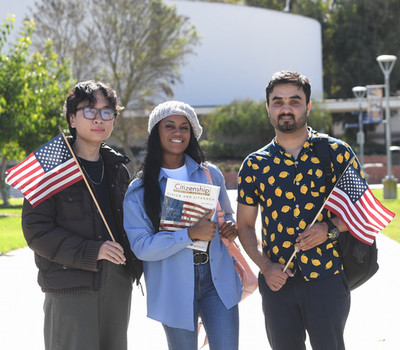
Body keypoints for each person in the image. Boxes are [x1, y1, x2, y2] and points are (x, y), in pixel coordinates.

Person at [236, 71, 360, 350]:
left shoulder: (336, 152)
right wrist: (265, 267)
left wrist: (328, 229)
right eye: (278, 101)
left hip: (326, 277)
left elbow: (361, 208)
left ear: (308, 106)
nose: (286, 108)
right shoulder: (254, 165)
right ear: (268, 107)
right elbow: (244, 225)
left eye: (295, 100)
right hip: (277, 281)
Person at [21, 80, 143, 350]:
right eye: (89, 110)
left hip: (117, 283)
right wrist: (93, 250)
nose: (99, 119)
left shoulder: (117, 168)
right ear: (72, 119)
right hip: (70, 285)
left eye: (107, 111)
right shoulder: (50, 167)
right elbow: (36, 230)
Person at [123, 100, 242, 350]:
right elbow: (142, 247)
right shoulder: (140, 189)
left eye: (184, 127)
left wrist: (230, 226)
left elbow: (226, 215)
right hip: (173, 285)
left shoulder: (211, 174)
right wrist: (189, 234)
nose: (177, 132)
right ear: (156, 132)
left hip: (217, 279)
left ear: (193, 133)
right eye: (169, 126)